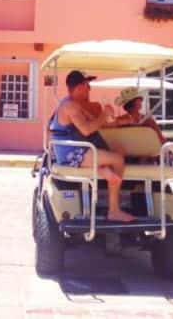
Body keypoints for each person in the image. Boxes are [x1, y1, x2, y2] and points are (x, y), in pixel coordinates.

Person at [49, 70, 136, 222]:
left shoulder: (75, 105)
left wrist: (114, 119)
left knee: (118, 149)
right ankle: (114, 210)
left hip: (78, 148)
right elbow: (87, 130)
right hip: (71, 154)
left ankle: (105, 173)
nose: (89, 89)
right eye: (87, 86)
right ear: (80, 87)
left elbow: (97, 123)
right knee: (117, 160)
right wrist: (103, 115)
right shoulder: (70, 106)